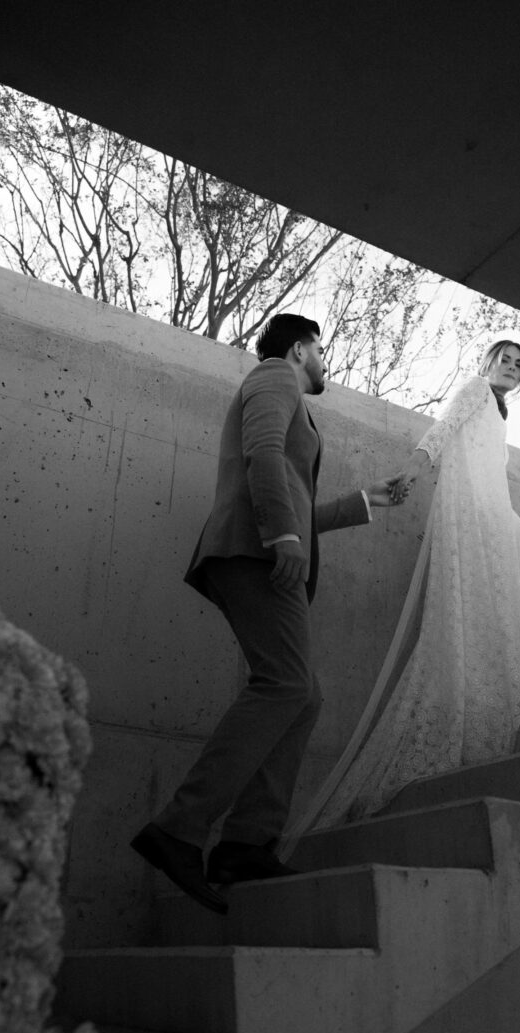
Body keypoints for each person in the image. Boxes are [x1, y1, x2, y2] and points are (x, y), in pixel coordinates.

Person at [131, 313, 402, 912]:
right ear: (302, 348)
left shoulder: (285, 391)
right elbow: (261, 455)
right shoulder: (275, 375)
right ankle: (179, 829)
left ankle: (246, 844)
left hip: (264, 547)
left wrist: (365, 501)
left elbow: (292, 490)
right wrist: (281, 535)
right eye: (322, 352)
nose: (323, 364)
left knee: (301, 695)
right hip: (255, 549)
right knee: (285, 685)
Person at [283, 340, 520, 841]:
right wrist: (411, 473)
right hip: (474, 514)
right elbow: (441, 434)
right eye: (504, 358)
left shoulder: (501, 412)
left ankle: (518, 694)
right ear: (487, 363)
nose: (511, 367)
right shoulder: (476, 390)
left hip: (495, 512)